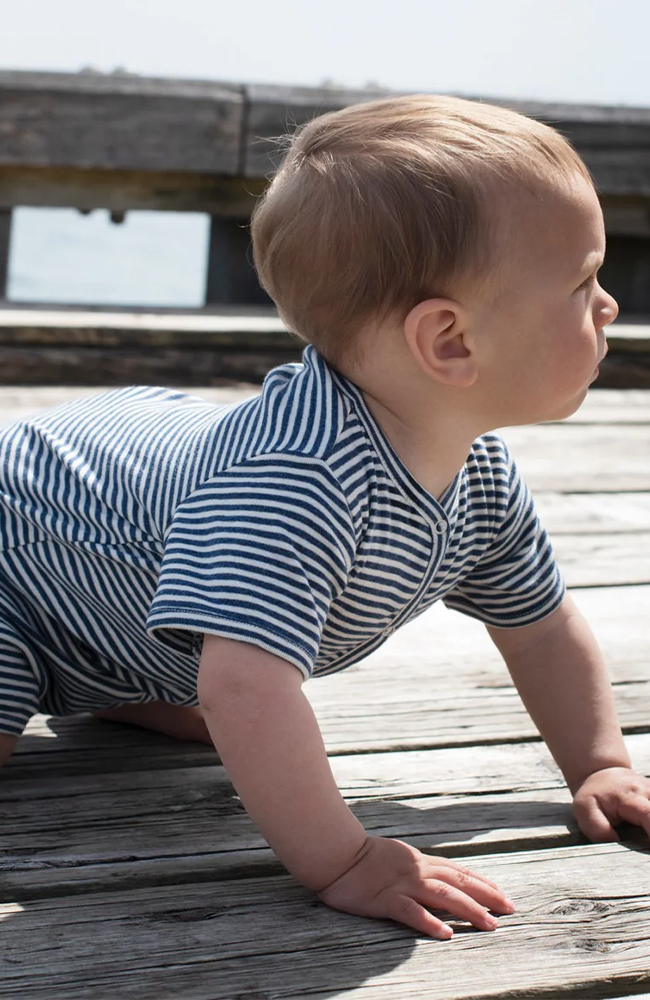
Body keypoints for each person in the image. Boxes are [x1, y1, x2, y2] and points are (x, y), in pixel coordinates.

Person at [0, 94, 649, 940]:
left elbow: (539, 627)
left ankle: (121, 680)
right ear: (449, 342)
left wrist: (599, 766)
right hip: (21, 559)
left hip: (107, 576)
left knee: (224, 675)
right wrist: (344, 857)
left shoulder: (478, 470)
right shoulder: (294, 484)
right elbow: (246, 687)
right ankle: (98, 674)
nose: (609, 307)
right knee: (228, 682)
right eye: (582, 283)